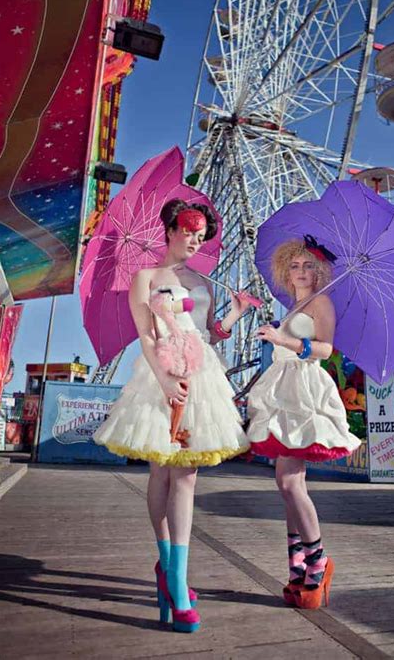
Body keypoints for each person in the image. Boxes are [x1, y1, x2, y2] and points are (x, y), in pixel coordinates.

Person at [93, 199, 252, 632]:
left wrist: (234, 314)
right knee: (161, 471)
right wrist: (164, 380)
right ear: (171, 229)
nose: (195, 241)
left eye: (201, 237)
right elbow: (147, 335)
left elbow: (208, 333)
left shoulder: (204, 282)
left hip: (200, 377)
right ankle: (167, 567)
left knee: (187, 475)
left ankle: (177, 582)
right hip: (159, 376)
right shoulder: (144, 279)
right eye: (190, 231)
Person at [246, 236, 361, 610]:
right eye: (294, 265)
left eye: (308, 265)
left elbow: (326, 348)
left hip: (304, 390)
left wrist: (287, 340)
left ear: (320, 270)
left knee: (288, 480)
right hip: (283, 390)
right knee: (287, 482)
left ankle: (318, 561)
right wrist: (276, 336)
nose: (301, 271)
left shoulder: (322, 302)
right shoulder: (296, 303)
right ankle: (299, 565)